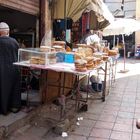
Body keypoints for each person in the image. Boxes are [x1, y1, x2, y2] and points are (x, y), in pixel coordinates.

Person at [0, 22, 21, 115]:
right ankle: (14, 107)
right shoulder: (14, 42)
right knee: (14, 88)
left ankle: (3, 109)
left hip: (2, 71)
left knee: (3, 89)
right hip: (14, 69)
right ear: (8, 31)